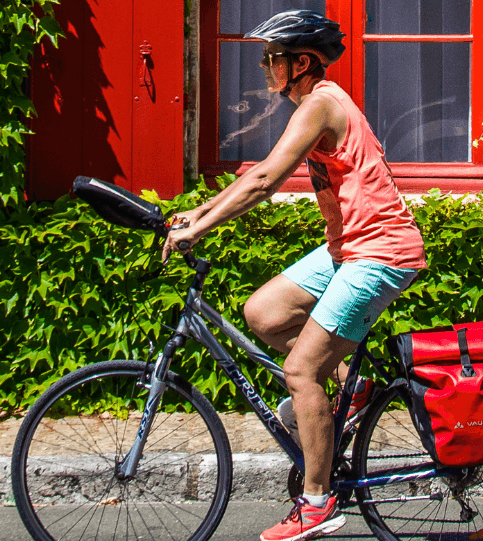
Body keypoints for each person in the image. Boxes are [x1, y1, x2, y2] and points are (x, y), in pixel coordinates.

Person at [159, 10, 428, 540]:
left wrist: (202, 227)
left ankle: (318, 502)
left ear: (300, 62)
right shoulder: (315, 102)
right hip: (348, 246)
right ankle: (356, 387)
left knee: (301, 373)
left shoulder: (323, 104)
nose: (263, 66)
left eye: (271, 58)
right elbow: (255, 175)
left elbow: (264, 180)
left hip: (380, 253)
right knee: (263, 312)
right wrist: (199, 213)